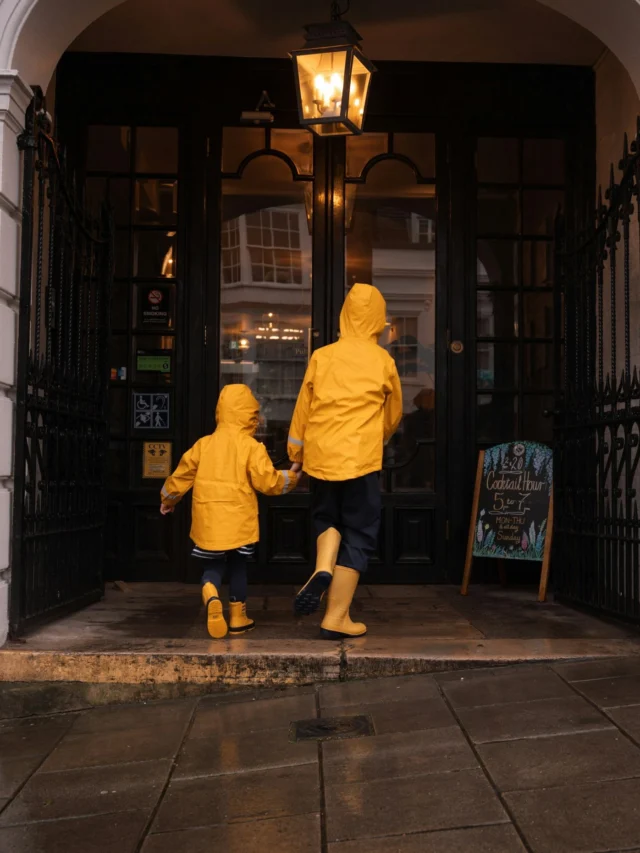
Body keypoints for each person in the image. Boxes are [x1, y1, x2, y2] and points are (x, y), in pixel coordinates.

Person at [288, 283, 403, 639]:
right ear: (378, 321)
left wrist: (297, 453)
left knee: (327, 516)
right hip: (360, 459)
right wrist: (377, 437)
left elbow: (302, 410)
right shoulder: (383, 360)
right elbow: (394, 412)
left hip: (322, 456)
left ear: (344, 316)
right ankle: (336, 616)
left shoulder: (322, 356)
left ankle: (322, 566)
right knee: (361, 530)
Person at [160, 383, 299, 639]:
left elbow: (181, 476)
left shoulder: (203, 445)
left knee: (213, 565)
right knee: (238, 566)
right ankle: (238, 617)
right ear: (250, 416)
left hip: (209, 519)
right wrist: (292, 478)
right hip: (239, 521)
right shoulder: (251, 447)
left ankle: (211, 591)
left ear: (220, 413)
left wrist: (168, 498)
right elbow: (267, 482)